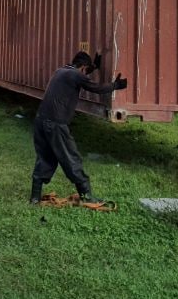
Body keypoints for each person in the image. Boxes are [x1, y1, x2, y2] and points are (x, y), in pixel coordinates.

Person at [30, 51, 127, 207]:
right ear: (83, 67)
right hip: (56, 124)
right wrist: (116, 85)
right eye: (86, 70)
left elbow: (81, 75)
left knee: (45, 157)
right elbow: (97, 88)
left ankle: (34, 198)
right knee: (71, 158)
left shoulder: (61, 71)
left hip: (40, 121)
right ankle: (86, 196)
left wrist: (93, 67)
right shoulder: (76, 75)